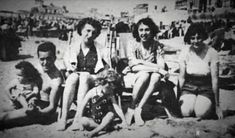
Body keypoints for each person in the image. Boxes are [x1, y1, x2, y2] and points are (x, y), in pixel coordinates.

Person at [57, 17, 109, 131]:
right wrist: (70, 69)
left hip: (93, 78)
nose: (90, 35)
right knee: (72, 78)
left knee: (84, 76)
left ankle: (77, 118)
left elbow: (107, 66)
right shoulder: (73, 47)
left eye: (94, 32)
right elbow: (65, 63)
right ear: (81, 30)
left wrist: (103, 72)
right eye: (88, 31)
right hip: (76, 77)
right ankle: (63, 118)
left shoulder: (100, 48)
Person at [0, 42, 63, 129]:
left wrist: (38, 113)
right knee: (2, 109)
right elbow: (21, 80)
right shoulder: (37, 70)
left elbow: (52, 108)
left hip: (40, 112)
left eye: (49, 59)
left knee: (4, 118)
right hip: (26, 103)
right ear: (38, 58)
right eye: (42, 59)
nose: (45, 62)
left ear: (54, 58)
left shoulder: (56, 81)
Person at [124, 17, 173, 126]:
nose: (144, 33)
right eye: (141, 30)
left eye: (147, 30)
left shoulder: (157, 45)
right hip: (133, 75)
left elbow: (161, 65)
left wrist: (143, 63)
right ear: (137, 31)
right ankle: (131, 108)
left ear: (152, 31)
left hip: (152, 77)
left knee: (155, 76)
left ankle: (138, 109)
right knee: (144, 75)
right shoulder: (132, 44)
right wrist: (157, 69)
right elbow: (133, 66)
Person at [178, 23, 223, 120]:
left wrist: (217, 105)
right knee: (185, 112)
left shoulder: (212, 53)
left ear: (203, 37)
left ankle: (206, 105)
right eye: (192, 38)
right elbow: (181, 78)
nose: (196, 41)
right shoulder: (185, 52)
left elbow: (215, 80)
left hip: (206, 88)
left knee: (200, 113)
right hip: (189, 87)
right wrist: (178, 98)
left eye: (199, 38)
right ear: (189, 39)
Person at [73, 69, 127, 137]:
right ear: (102, 83)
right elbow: (82, 106)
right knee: (83, 120)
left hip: (104, 118)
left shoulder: (110, 93)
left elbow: (116, 107)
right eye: (108, 87)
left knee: (111, 114)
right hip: (93, 119)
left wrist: (124, 121)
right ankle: (105, 128)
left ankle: (93, 132)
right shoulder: (92, 92)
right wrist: (79, 121)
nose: (110, 89)